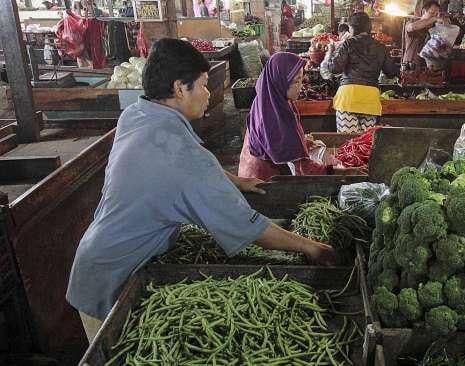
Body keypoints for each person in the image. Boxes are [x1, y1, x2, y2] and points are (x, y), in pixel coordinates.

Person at [66, 39, 336, 341]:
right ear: (181, 88)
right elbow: (246, 225)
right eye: (204, 85)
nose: (209, 94)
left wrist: (236, 180)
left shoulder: (138, 115)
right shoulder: (185, 156)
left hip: (99, 253)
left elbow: (181, 162)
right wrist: (312, 247)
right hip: (110, 281)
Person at [238, 52, 359, 180]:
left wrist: (303, 143)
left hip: (253, 166)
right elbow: (305, 170)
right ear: (280, 81)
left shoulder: (269, 99)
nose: (300, 87)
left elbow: (274, 142)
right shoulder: (275, 119)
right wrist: (337, 172)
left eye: (301, 79)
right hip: (262, 178)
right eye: (296, 81)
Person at [325, 12, 399, 133]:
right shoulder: (381, 47)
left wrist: (331, 51)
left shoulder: (348, 43)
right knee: (365, 144)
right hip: (370, 100)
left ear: (352, 28)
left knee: (348, 144)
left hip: (348, 98)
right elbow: (391, 72)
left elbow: (334, 68)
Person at [402, 0, 443, 69]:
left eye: (437, 14)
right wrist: (434, 18)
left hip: (428, 68)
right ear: (424, 12)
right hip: (411, 67)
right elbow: (412, 27)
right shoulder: (411, 22)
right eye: (432, 13)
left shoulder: (434, 28)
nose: (436, 16)